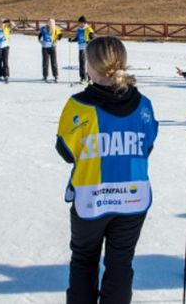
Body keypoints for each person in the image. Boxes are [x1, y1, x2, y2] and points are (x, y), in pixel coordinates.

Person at [56, 35, 158, 304]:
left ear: (90, 66)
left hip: (92, 198)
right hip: (132, 197)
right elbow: (147, 146)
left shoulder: (78, 105)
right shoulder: (143, 104)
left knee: (83, 261)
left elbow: (66, 151)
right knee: (120, 265)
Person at [69, 16, 94, 84]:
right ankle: (82, 78)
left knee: (89, 64)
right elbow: (77, 38)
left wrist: (89, 40)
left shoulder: (88, 29)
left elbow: (92, 37)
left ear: (83, 23)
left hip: (87, 48)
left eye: (79, 23)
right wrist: (72, 40)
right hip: (81, 48)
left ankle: (90, 78)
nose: (78, 24)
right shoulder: (79, 29)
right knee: (82, 63)